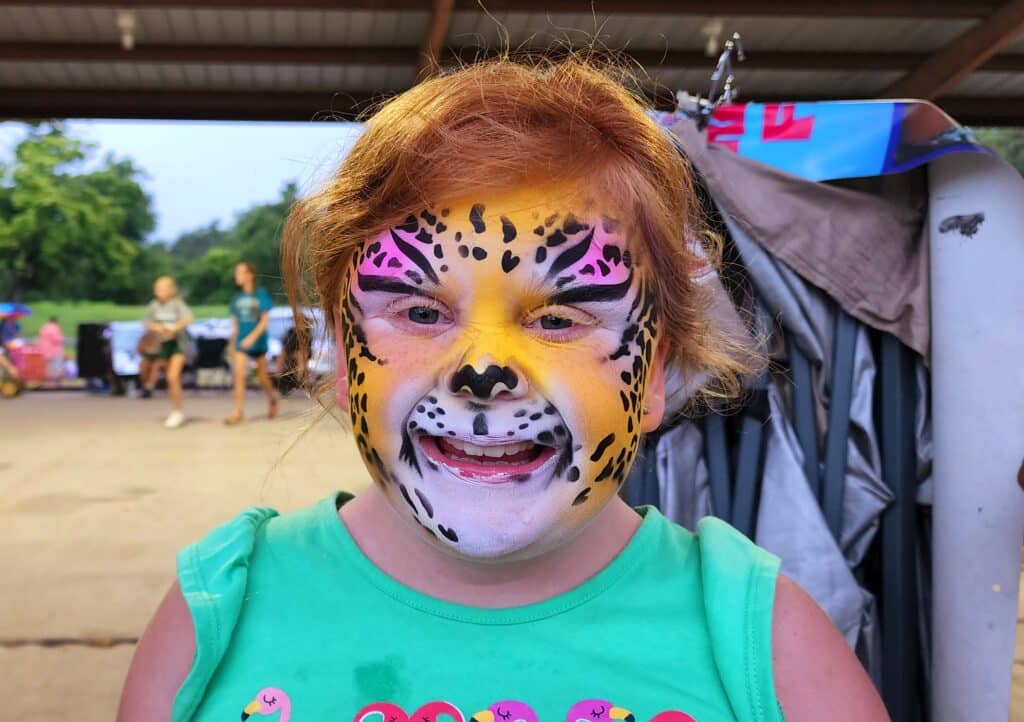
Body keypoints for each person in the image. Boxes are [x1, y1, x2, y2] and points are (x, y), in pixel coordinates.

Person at [118, 57, 889, 722]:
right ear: (344, 355)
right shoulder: (221, 613)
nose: (482, 371)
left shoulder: (765, 642)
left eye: (559, 318)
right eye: (420, 311)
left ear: (656, 374)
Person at [224, 261, 277, 424]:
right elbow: (235, 325)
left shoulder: (260, 294)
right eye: (236, 273)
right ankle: (238, 410)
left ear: (250, 275)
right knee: (239, 375)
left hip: (258, 341)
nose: (237, 276)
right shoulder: (236, 298)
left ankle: (273, 399)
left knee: (262, 378)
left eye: (240, 272)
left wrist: (252, 338)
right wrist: (232, 344)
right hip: (241, 342)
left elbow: (264, 322)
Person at [142, 276, 193, 429]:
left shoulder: (177, 304)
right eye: (157, 289)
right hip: (164, 345)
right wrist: (158, 328)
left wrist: (174, 329)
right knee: (170, 379)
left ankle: (178, 411)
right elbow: (147, 322)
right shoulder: (154, 305)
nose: (160, 292)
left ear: (171, 290)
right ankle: (175, 407)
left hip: (178, 344)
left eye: (163, 289)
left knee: (172, 376)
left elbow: (188, 318)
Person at [38, 316, 65, 381]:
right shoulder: (55, 328)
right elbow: (58, 339)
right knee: (56, 367)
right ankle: (55, 382)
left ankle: (48, 381)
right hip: (55, 351)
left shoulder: (44, 327)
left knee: (48, 367)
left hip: (44, 350)